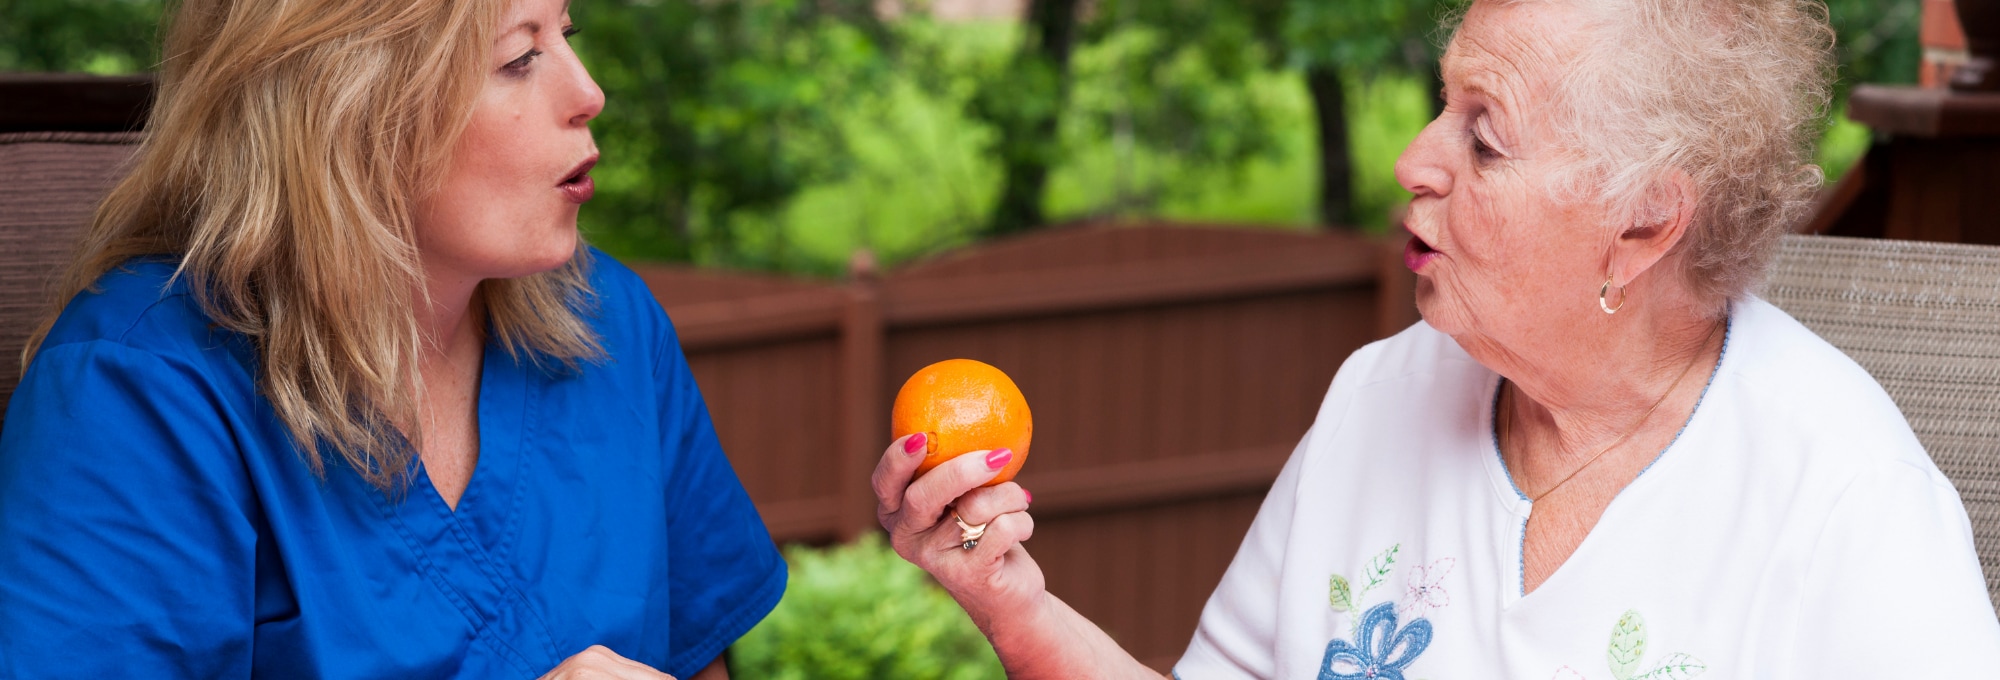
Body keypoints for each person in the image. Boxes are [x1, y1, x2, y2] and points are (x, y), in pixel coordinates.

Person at [871, 0, 2000, 677]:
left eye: (1484, 138)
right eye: (1439, 101)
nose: (1414, 157)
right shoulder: (1380, 393)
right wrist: (1010, 600)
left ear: (1644, 222)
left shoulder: (1847, 505)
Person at [0, 0, 782, 677]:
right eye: (520, 57)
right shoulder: (131, 396)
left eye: (567, 32)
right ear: (347, 104)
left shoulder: (611, 320)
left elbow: (694, 659)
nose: (588, 92)